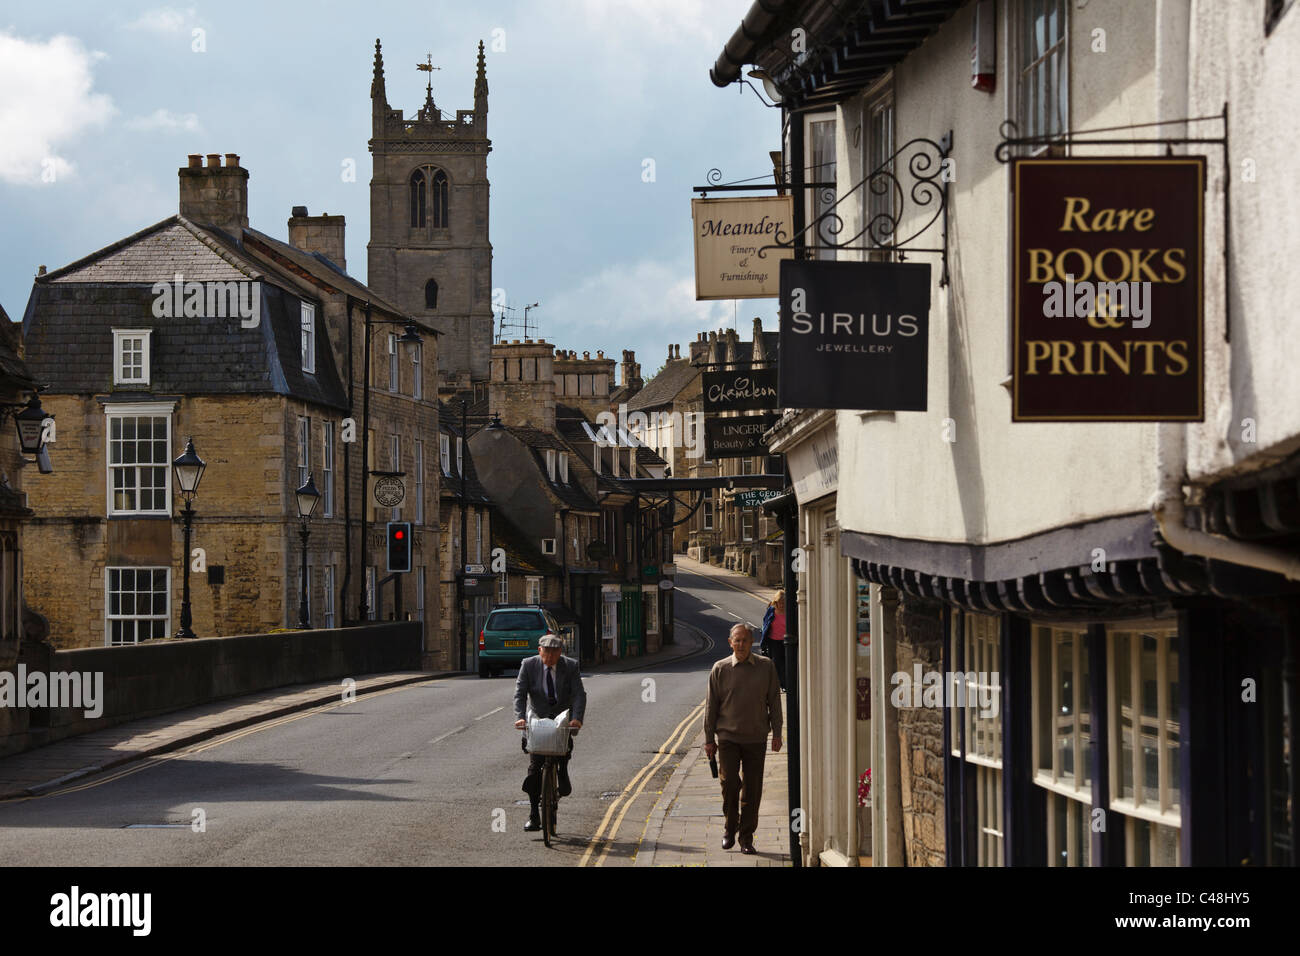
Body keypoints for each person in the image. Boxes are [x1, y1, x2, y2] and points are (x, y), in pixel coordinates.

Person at [704, 623, 782, 855]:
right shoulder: (720, 668)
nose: (741, 645)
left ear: (752, 642)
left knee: (752, 789)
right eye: (736, 640)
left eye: (745, 640)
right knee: (729, 783)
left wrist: (777, 732)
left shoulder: (766, 667)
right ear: (730, 643)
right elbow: (711, 707)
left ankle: (746, 837)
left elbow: (775, 702)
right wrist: (709, 739)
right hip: (727, 737)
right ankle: (730, 827)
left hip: (756, 737)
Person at [514, 634, 586, 833]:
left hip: (562, 720)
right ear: (539, 651)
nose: (551, 656)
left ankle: (562, 771)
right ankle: (534, 815)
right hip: (537, 721)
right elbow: (519, 694)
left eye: (555, 652)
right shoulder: (528, 665)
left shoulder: (570, 666)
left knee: (562, 756)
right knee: (535, 767)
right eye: (547, 652)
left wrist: (577, 718)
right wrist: (520, 717)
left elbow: (579, 694)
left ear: (560, 652)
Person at [758, 589, 787, 691]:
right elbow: (765, 623)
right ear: (776, 602)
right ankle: (782, 684)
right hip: (773, 641)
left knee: (786, 663)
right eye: (780, 603)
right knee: (777, 663)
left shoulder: (790, 611)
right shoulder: (771, 610)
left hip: (786, 642)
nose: (782, 605)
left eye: (784, 603)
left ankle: (786, 683)